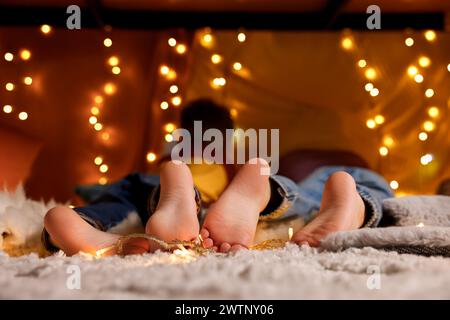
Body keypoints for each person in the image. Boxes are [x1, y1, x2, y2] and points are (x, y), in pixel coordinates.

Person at [41, 99, 394, 256]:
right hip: (210, 201)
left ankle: (87, 226)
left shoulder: (175, 146)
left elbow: (116, 185)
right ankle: (272, 195)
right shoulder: (231, 155)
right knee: (297, 196)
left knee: (126, 192)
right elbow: (231, 177)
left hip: (167, 189)